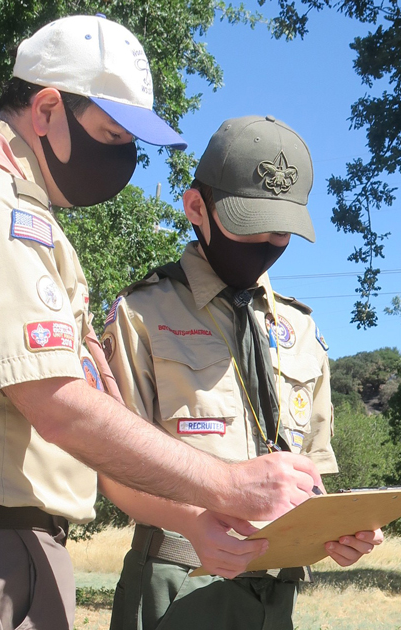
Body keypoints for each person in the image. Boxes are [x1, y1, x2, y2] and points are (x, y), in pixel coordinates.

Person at [0, 16, 325, 630]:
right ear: (47, 108)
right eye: (110, 133)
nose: (124, 159)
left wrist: (200, 514)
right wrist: (228, 486)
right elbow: (59, 403)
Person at [100, 115, 384, 630]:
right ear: (195, 209)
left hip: (277, 596)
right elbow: (114, 472)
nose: (266, 242)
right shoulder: (144, 314)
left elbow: (311, 478)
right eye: (247, 224)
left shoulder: (301, 330)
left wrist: (339, 532)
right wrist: (196, 524)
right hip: (176, 583)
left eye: (280, 230)